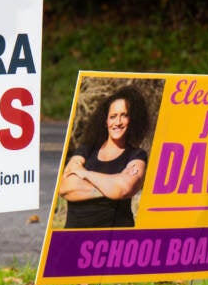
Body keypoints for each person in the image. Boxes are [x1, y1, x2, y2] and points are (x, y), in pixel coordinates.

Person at [59, 85, 149, 228]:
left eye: (124, 115)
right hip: (74, 239)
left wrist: (84, 173)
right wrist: (112, 185)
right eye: (113, 116)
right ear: (106, 121)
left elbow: (124, 189)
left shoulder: (137, 155)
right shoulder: (86, 150)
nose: (118, 122)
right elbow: (64, 187)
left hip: (113, 240)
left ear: (132, 119)